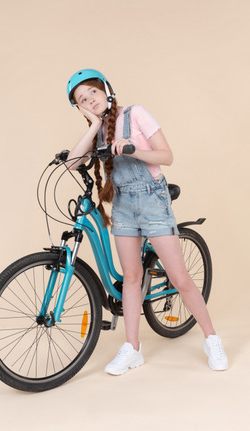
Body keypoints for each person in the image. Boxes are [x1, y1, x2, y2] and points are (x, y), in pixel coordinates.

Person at [66, 68, 228, 375]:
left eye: (93, 93)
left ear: (106, 90)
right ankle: (132, 349)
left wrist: (133, 149)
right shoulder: (98, 129)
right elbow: (74, 163)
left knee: (179, 278)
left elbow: (167, 156)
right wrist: (94, 125)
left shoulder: (135, 114)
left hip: (153, 201)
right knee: (131, 276)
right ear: (81, 109)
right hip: (124, 205)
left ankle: (212, 339)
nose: (90, 100)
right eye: (82, 100)